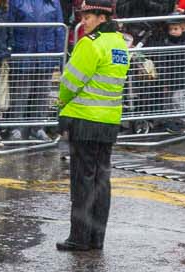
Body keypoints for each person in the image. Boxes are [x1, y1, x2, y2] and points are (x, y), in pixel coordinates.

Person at [55, 1, 129, 252]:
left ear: (101, 17)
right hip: (109, 122)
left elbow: (70, 81)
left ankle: (79, 237)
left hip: (85, 120)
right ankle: (97, 238)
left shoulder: (90, 44)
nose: (82, 22)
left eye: (87, 17)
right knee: (101, 180)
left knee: (82, 181)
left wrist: (61, 104)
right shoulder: (119, 43)